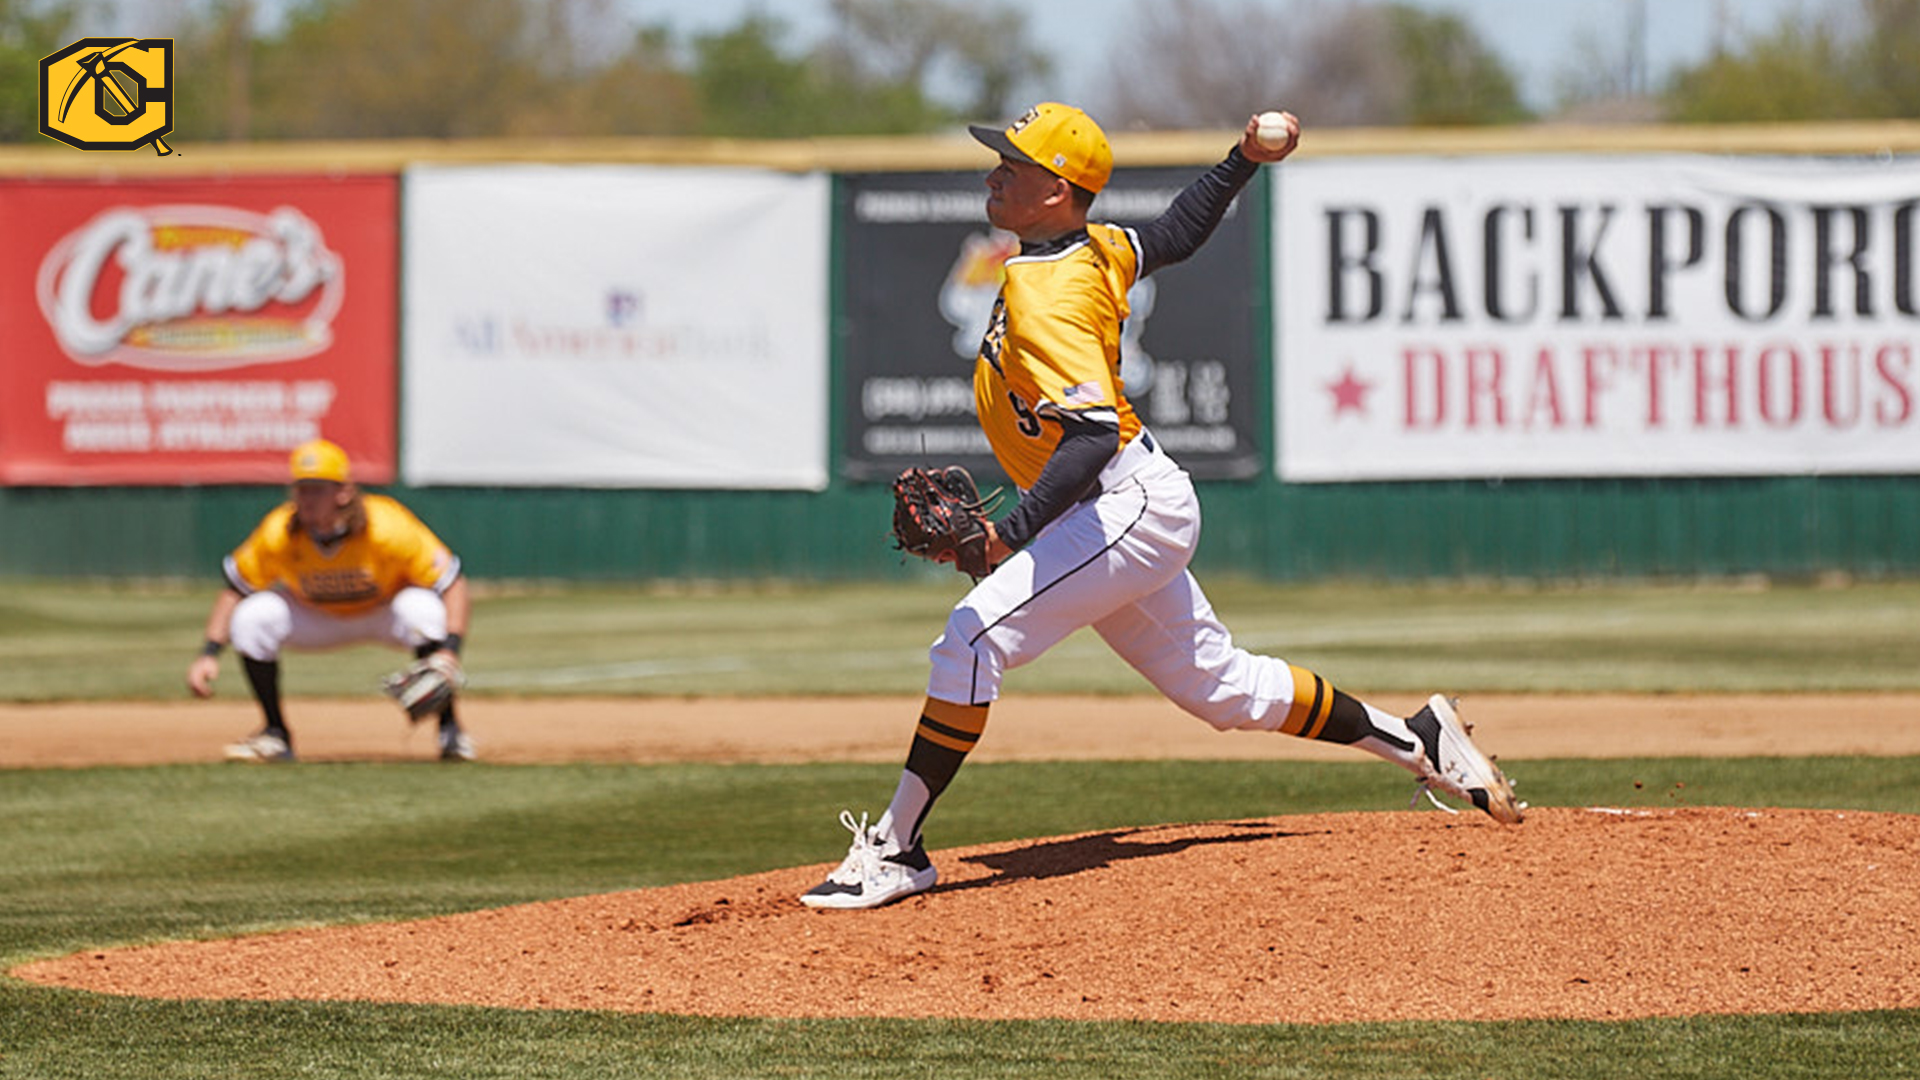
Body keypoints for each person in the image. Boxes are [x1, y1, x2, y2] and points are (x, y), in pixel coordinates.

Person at [802, 103, 1522, 910]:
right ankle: (1416, 738)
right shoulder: (1090, 247)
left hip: (1121, 506)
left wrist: (1011, 532)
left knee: (970, 639)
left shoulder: (1056, 291)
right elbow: (1173, 234)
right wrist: (1242, 159)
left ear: (1056, 189)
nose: (994, 172)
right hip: (1126, 504)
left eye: (1013, 163)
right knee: (1221, 688)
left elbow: (1091, 437)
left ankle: (899, 849)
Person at [185, 438, 475, 763]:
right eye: (301, 488)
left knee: (424, 609)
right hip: (316, 617)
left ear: (344, 492)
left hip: (383, 613)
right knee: (253, 616)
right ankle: (275, 734)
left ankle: (450, 730)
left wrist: (449, 651)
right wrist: (208, 654)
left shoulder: (387, 526)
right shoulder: (279, 531)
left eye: (317, 489)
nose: (306, 499)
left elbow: (453, 583)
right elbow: (236, 588)